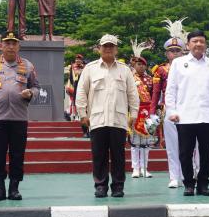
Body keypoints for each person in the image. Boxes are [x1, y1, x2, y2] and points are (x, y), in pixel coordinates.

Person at [0, 31, 40, 201]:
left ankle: (14, 188)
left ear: (18, 46)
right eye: (7, 43)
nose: (11, 46)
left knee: (17, 154)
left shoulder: (27, 66)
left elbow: (36, 87)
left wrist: (30, 93)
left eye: (14, 43)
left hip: (19, 118)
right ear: (1, 46)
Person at [75, 34, 139, 198]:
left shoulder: (125, 70)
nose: (108, 49)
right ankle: (100, 185)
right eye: (105, 46)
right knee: (99, 155)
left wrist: (134, 113)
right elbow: (81, 92)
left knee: (118, 155)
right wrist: (82, 113)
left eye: (111, 46)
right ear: (99, 49)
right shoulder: (90, 68)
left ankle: (118, 186)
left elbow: (133, 94)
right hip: (97, 119)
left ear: (116, 49)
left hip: (118, 119)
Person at [165, 30, 209, 197]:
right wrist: (172, 111)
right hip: (184, 116)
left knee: (207, 153)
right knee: (185, 153)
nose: (198, 44)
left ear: (205, 45)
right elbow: (170, 90)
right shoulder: (178, 63)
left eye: (201, 41)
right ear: (188, 44)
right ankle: (189, 184)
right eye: (195, 41)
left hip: (206, 116)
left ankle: (204, 184)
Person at [150, 19, 187, 188]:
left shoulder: (189, 67)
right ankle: (174, 176)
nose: (175, 53)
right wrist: (152, 112)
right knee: (172, 145)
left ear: (183, 52)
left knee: (189, 145)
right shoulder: (161, 70)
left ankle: (188, 174)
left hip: (188, 109)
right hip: (169, 109)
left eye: (178, 50)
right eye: (171, 51)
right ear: (167, 54)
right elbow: (156, 92)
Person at [129, 39, 154, 178]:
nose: (141, 67)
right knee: (134, 141)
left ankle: (145, 167)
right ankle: (135, 168)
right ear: (134, 65)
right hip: (134, 112)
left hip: (147, 113)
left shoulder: (150, 79)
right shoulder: (130, 78)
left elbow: (154, 96)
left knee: (147, 141)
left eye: (143, 65)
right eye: (138, 64)